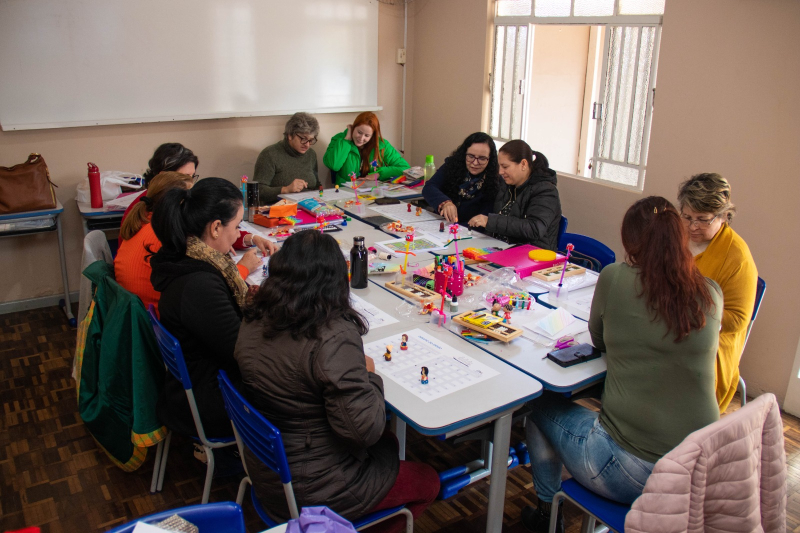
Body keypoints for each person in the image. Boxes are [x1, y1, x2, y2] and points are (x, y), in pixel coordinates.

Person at [520, 197, 722, 532]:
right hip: (699, 470)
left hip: (631, 469)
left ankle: (546, 516)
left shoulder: (615, 278)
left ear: (631, 241)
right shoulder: (711, 292)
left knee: (539, 404)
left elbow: (599, 341)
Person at [236, 230, 439, 532]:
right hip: (313, 490)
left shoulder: (255, 313)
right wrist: (370, 375)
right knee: (428, 480)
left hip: (269, 468)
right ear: (335, 279)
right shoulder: (331, 334)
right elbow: (364, 431)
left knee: (391, 443)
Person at [149, 177, 275, 441]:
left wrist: (249, 306)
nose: (238, 233)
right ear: (216, 227)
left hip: (200, 381)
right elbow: (242, 352)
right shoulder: (199, 284)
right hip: (213, 397)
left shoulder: (190, 257)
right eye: (237, 225)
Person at [678, 173, 758, 412]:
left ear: (723, 217)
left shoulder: (737, 257)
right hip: (671, 330)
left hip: (709, 349)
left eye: (702, 220)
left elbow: (738, 319)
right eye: (687, 217)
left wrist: (691, 308)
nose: (692, 226)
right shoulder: (678, 238)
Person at [114, 172, 193, 314]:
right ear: (175, 205)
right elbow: (203, 285)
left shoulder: (142, 223)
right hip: (157, 322)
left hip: (138, 316)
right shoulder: (163, 235)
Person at [467, 140, 561, 251]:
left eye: (505, 167)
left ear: (523, 164)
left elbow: (535, 229)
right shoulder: (508, 185)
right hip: (503, 249)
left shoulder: (546, 191)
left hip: (532, 256)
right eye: (499, 166)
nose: (500, 172)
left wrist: (490, 221)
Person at [421, 132, 501, 224]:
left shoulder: (495, 181)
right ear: (464, 154)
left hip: (470, 232)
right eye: (471, 156)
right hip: (441, 225)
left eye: (482, 158)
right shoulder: (452, 165)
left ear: (490, 159)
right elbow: (429, 187)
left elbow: (484, 219)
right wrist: (445, 203)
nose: (475, 163)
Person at [121, 143, 199, 224]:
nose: (191, 183)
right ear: (163, 176)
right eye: (185, 177)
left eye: (192, 176)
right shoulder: (152, 208)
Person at [323, 112, 409, 185]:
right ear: (353, 127)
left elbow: (405, 168)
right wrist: (346, 140)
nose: (361, 138)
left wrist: (379, 174)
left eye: (367, 135)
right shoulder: (339, 139)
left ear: (372, 136)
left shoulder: (382, 145)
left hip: (374, 192)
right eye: (359, 132)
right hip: (347, 193)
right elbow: (333, 165)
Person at [253, 112, 320, 205]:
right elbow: (258, 191)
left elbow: (316, 184)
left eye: (311, 140)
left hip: (308, 206)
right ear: (290, 135)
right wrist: (286, 189)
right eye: (303, 139)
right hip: (279, 210)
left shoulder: (311, 155)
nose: (307, 145)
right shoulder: (269, 154)